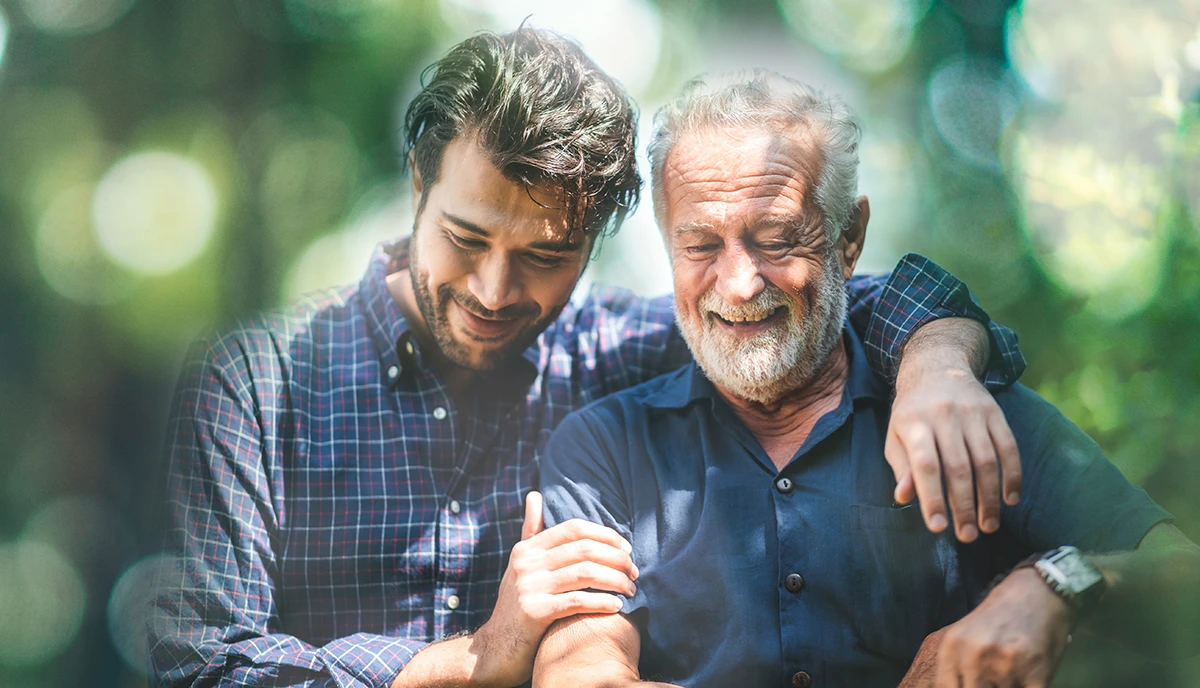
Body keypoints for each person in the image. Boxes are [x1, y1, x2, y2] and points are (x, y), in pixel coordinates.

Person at [150, 30, 1027, 688]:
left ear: (598, 243)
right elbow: (200, 668)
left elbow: (815, 301)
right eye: (465, 238)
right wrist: (467, 659)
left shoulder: (619, 349)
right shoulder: (254, 385)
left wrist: (937, 364)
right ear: (419, 186)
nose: (495, 291)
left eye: (545, 256)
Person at [533, 71, 1200, 688]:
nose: (737, 285)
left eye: (776, 238)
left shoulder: (961, 409)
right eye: (701, 245)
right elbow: (580, 673)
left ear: (849, 238)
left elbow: (1184, 580)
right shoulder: (603, 448)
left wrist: (1056, 582)